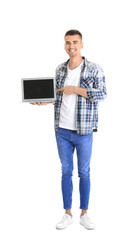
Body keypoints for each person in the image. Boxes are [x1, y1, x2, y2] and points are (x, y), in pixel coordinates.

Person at [30, 29, 107, 230]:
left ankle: (84, 213)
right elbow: (57, 96)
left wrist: (76, 90)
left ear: (81, 44)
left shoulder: (94, 68)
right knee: (66, 171)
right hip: (62, 130)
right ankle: (67, 213)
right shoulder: (60, 69)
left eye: (74, 42)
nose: (70, 46)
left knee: (84, 172)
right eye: (67, 42)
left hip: (84, 131)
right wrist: (43, 102)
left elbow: (102, 94)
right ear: (64, 45)